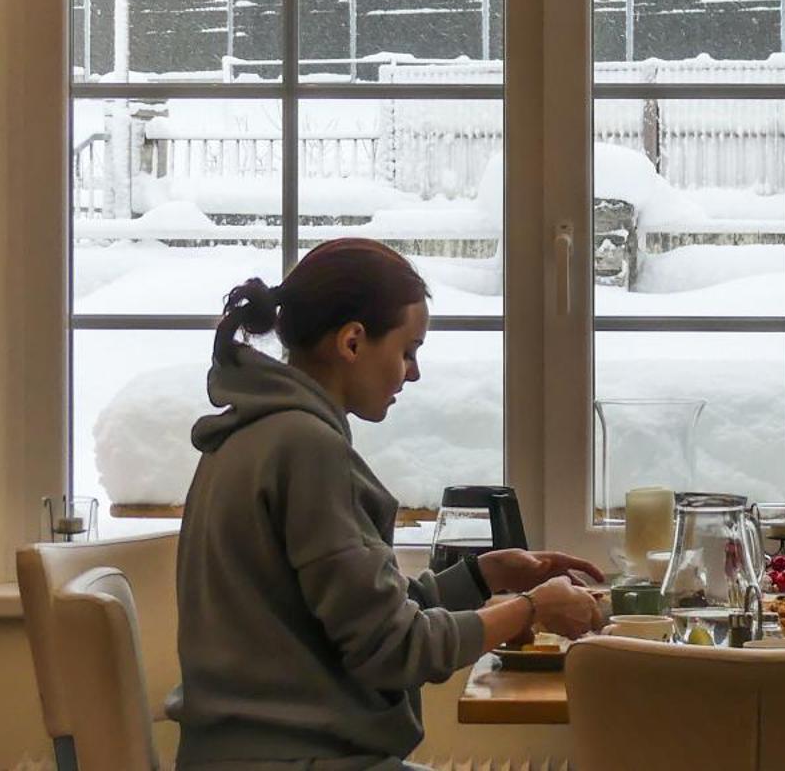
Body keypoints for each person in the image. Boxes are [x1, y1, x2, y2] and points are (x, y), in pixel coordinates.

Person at [169, 238, 602, 771]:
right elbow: (394, 649)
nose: (412, 373)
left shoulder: (250, 434)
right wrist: (532, 609)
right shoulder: (307, 448)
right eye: (407, 351)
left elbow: (354, 613)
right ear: (352, 342)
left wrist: (483, 576)